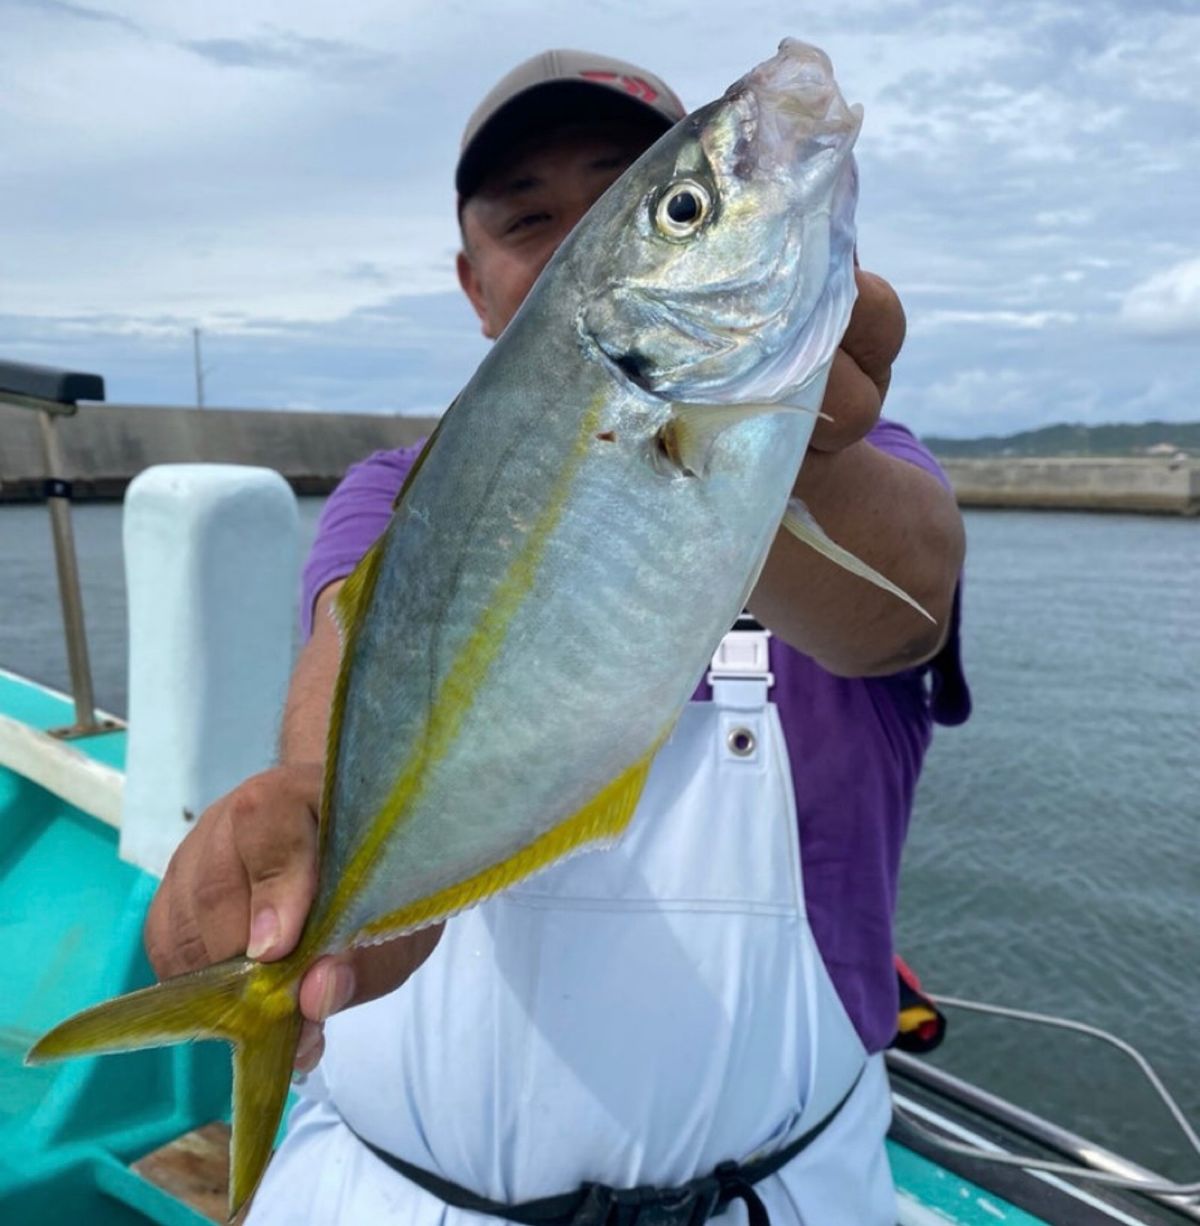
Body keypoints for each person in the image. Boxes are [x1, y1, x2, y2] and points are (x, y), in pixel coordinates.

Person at [144, 48, 969, 1225]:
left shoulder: (857, 470)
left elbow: (903, 608)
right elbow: (340, 721)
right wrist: (314, 871)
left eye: (646, 196)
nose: (571, 236)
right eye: (529, 219)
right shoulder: (395, 495)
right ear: (474, 284)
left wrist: (784, 452)